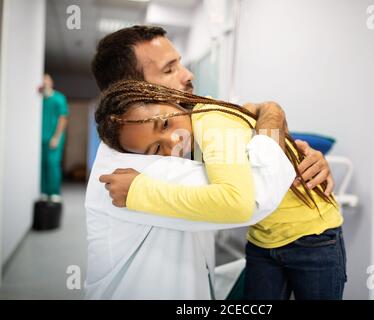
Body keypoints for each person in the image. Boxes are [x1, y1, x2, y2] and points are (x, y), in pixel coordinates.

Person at [86, 25, 335, 299]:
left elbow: (256, 147)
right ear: (133, 90)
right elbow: (254, 195)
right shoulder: (130, 172)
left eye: (180, 63)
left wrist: (301, 155)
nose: (188, 74)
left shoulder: (182, 129)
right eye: (169, 70)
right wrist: (273, 112)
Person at [39, 73, 68, 203]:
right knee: (41, 164)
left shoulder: (58, 98)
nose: (44, 83)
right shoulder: (39, 99)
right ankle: (44, 191)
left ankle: (54, 192)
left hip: (54, 138)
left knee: (52, 164)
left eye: (46, 80)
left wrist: (56, 137)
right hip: (40, 139)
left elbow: (63, 118)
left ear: (51, 83)